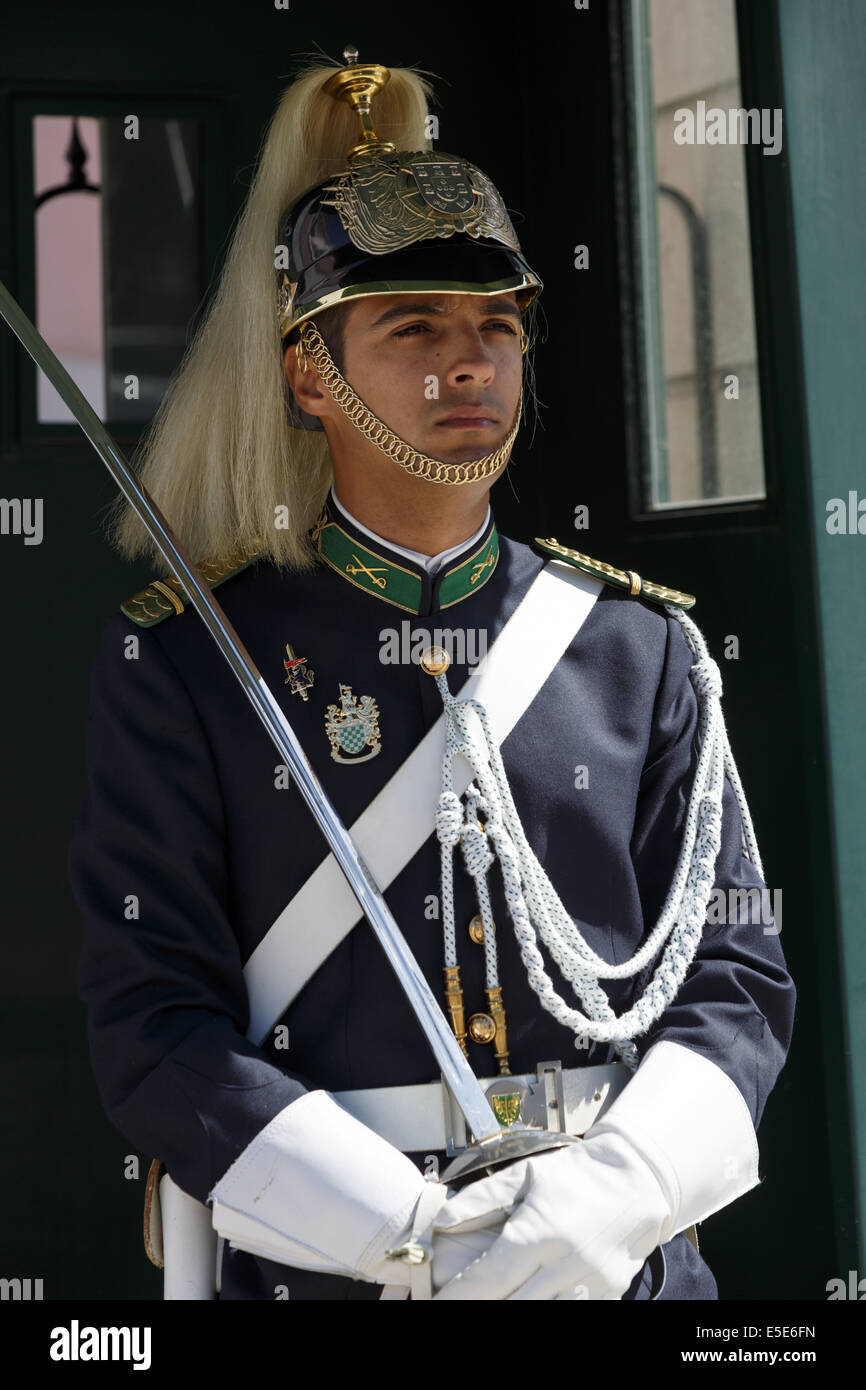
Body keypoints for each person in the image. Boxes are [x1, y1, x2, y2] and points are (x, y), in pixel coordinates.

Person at [68, 50, 795, 1301]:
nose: (467, 364)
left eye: (495, 327)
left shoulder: (638, 649)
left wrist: (594, 1211)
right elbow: (154, 1026)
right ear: (311, 374)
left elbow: (733, 976)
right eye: (413, 329)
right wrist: (413, 1239)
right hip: (342, 1268)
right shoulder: (186, 661)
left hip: (607, 1266)